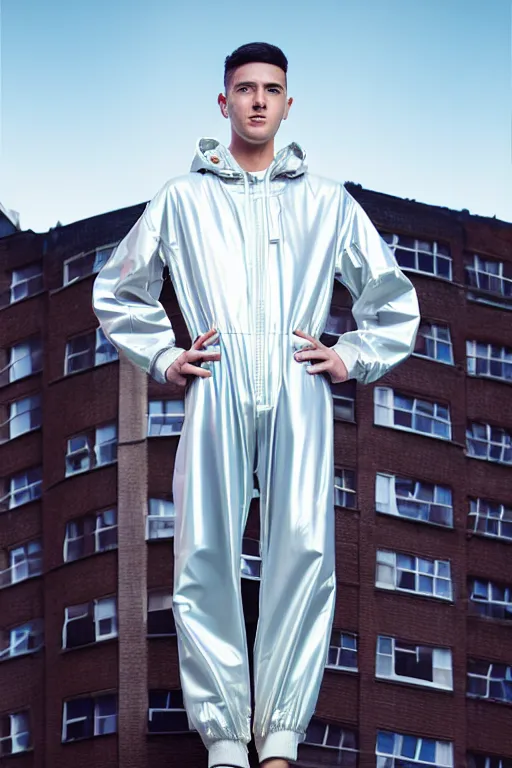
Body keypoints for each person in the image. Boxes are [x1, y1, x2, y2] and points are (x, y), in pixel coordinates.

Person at [92, 41, 420, 768]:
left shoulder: (327, 201)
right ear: (224, 102)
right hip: (216, 380)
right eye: (245, 89)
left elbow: (393, 301)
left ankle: (277, 737)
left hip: (300, 379)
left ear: (288, 103)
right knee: (204, 551)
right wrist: (168, 355)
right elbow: (118, 290)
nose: (259, 101)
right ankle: (223, 741)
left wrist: (350, 355)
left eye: (272, 89)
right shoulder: (182, 198)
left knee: (301, 550)